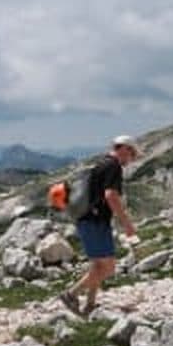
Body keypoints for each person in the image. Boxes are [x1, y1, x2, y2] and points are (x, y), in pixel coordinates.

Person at [59, 136, 140, 318]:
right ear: (125, 149)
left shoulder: (101, 163)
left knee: (98, 266)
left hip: (88, 220)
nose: (132, 159)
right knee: (109, 267)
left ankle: (90, 304)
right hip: (95, 222)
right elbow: (111, 195)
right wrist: (126, 223)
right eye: (133, 154)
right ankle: (70, 295)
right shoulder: (113, 166)